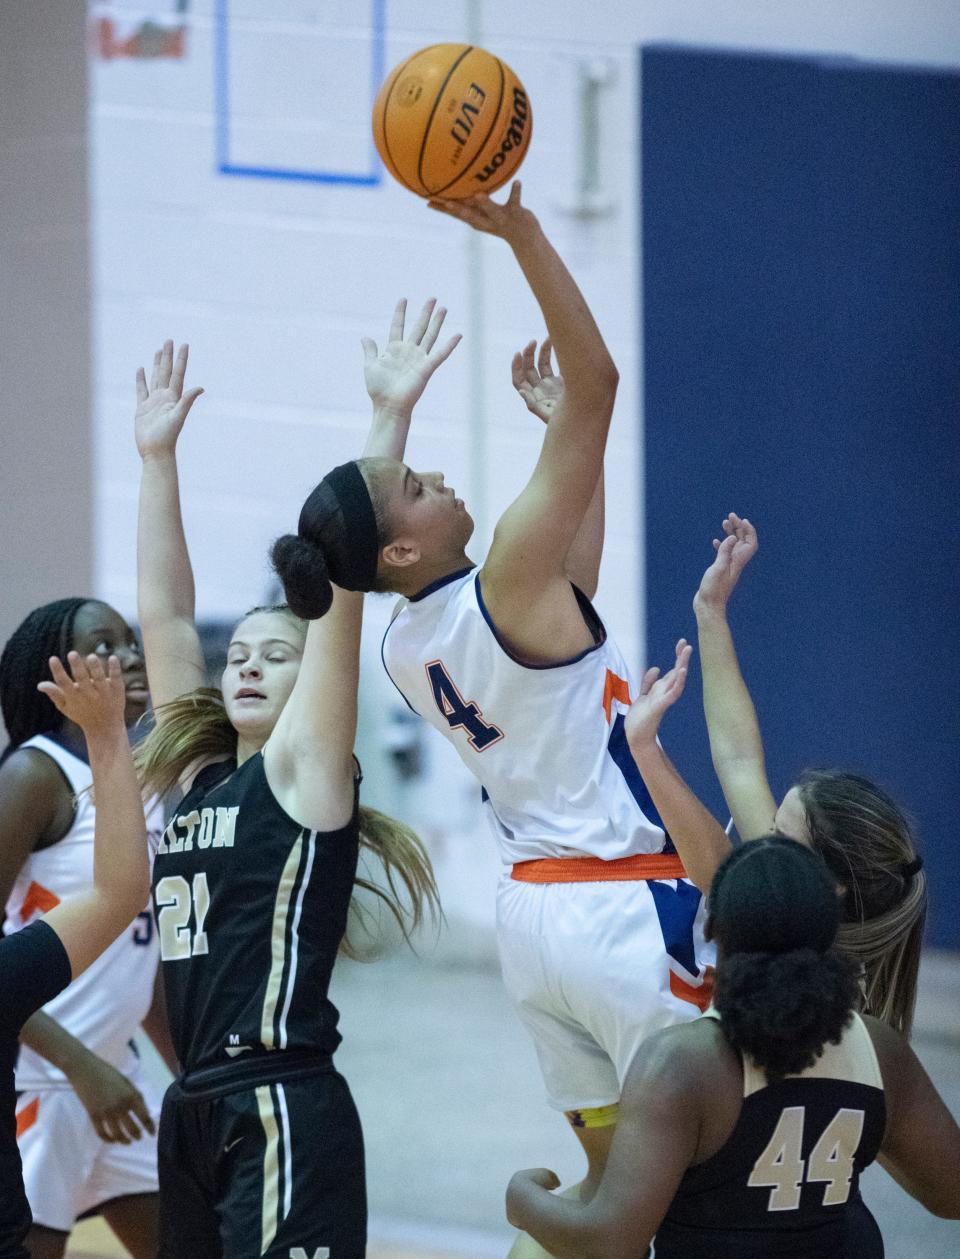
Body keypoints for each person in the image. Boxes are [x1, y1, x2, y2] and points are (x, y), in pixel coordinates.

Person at [274, 183, 718, 1243]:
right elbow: (601, 382)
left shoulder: (400, 638)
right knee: (704, 1193)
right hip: (625, 909)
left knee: (616, 1189)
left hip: (535, 924)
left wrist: (568, 448)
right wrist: (521, 233)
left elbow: (574, 580)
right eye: (417, 487)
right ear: (400, 551)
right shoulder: (503, 580)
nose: (434, 475)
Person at [133, 326, 449, 1258]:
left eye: (277, 656)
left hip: (275, 1096)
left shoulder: (306, 775)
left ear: (312, 680)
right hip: (192, 1104)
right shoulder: (197, 775)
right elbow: (164, 615)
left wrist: (388, 413)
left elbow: (349, 568)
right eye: (240, 656)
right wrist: (156, 461)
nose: (247, 667)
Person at [506, 837, 960, 1258]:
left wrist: (522, 1197)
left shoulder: (683, 1062)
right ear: (829, 933)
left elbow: (612, 1242)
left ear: (716, 931)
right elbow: (951, 1194)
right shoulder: (877, 1047)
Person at [626, 513, 926, 1035]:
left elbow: (719, 873)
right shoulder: (812, 913)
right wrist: (711, 611)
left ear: (830, 887)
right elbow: (739, 759)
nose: (760, 842)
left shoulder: (786, 951)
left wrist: (645, 749)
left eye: (779, 837)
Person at [0, 600, 176, 1259]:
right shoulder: (34, 774)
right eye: (105, 645)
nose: (129, 657)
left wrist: (192, 1073)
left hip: (117, 1080)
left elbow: (142, 949)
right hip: (42, 1081)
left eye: (132, 642)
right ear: (57, 671)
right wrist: (79, 1068)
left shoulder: (140, 779)